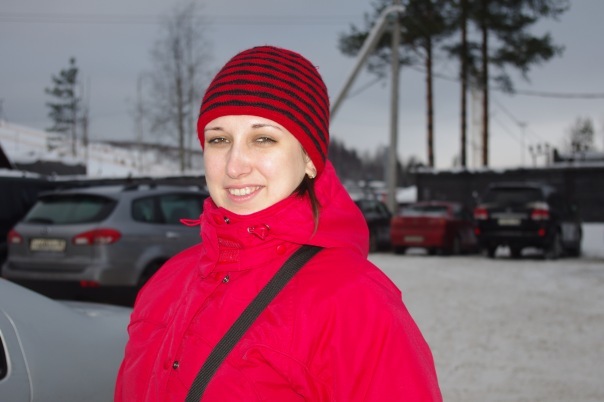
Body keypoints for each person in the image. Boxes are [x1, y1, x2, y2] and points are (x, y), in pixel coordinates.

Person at [115, 45, 442, 401]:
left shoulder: (357, 302)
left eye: (263, 139)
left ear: (310, 160)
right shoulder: (167, 281)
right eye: (219, 139)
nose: (234, 165)